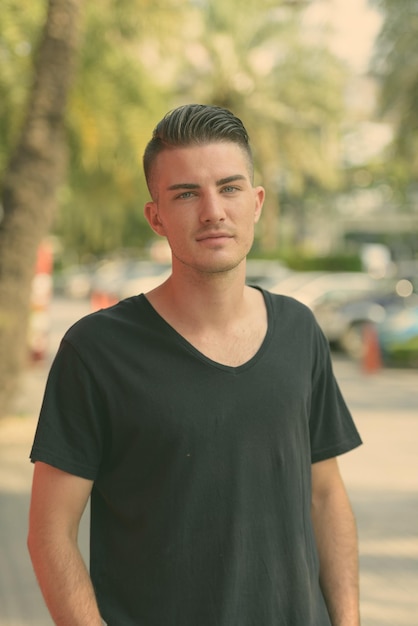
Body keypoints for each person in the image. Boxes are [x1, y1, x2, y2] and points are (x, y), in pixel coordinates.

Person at [28, 104, 362, 626]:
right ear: (156, 215)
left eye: (229, 188)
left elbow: (325, 496)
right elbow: (50, 533)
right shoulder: (96, 350)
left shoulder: (300, 330)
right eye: (186, 193)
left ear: (256, 203)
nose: (212, 211)